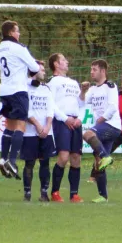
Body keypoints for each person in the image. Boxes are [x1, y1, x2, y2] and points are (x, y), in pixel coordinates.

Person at [0, 20, 42, 179]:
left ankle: (3, 159)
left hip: (5, 91)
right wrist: (34, 65)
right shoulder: (19, 47)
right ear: (10, 33)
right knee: (20, 126)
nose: (19, 34)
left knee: (10, 125)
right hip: (18, 90)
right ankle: (13, 161)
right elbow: (35, 69)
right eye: (17, 31)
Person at [80, 59, 122, 203]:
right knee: (98, 162)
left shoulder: (110, 86)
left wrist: (101, 120)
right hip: (104, 125)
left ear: (103, 71)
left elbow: (113, 107)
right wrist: (83, 91)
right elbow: (82, 101)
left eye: (94, 69)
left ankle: (106, 156)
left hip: (112, 124)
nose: (91, 72)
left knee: (87, 134)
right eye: (91, 69)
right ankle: (103, 196)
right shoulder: (92, 89)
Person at [46, 53, 84, 203]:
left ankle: (74, 194)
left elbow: (81, 103)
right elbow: (51, 104)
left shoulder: (74, 82)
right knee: (63, 156)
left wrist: (79, 117)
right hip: (62, 121)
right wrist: (64, 118)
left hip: (75, 121)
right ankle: (55, 192)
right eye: (63, 60)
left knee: (76, 158)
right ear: (56, 64)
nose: (67, 62)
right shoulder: (52, 82)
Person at [20, 61, 56, 202]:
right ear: (34, 71)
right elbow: (25, 110)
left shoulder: (46, 89)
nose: (44, 72)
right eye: (41, 70)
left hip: (46, 132)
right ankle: (27, 193)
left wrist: (47, 126)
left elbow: (50, 109)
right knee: (29, 163)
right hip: (30, 132)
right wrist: (36, 125)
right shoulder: (24, 88)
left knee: (45, 162)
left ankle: (44, 192)